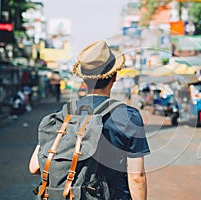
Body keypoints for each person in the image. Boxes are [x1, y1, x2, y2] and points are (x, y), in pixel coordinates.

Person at [29, 40, 150, 200]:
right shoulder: (128, 116)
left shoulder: (63, 115)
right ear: (113, 77)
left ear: (84, 79)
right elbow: (137, 177)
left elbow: (34, 167)